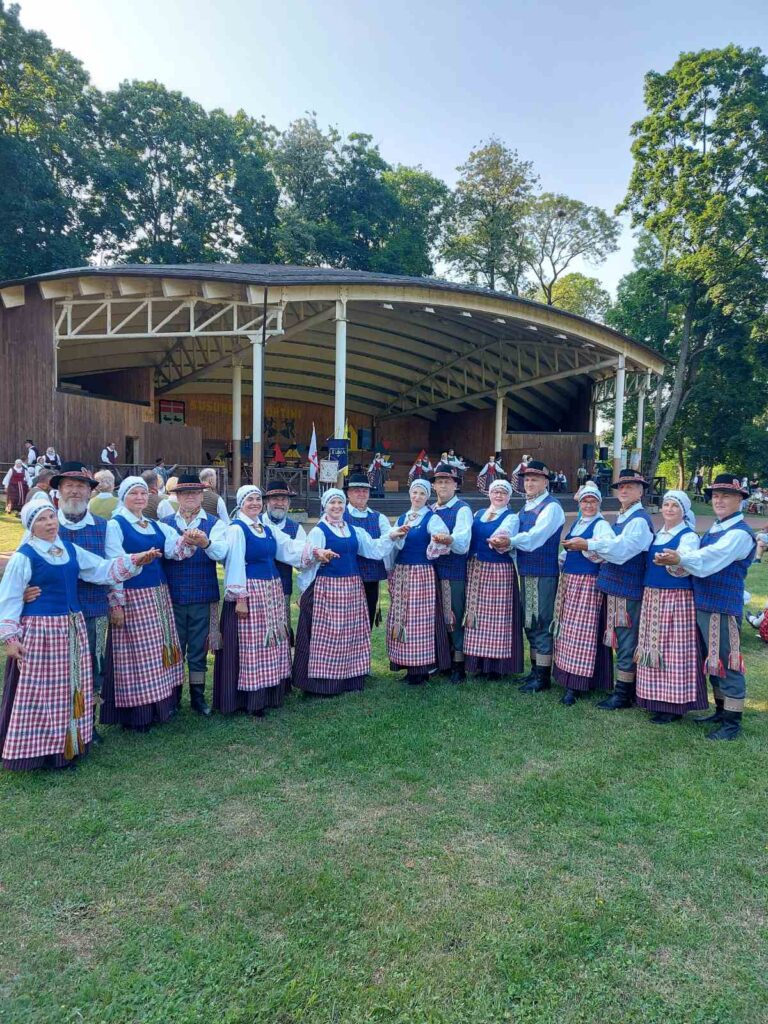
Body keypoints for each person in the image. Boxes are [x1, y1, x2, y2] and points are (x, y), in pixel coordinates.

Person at [0, 497, 156, 771]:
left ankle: (69, 746)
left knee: (72, 687)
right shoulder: (25, 556)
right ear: (30, 526)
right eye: (42, 520)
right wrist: (10, 639)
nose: (49, 524)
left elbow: (100, 569)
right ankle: (40, 752)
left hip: (72, 629)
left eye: (51, 518)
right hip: (41, 632)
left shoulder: (69, 549)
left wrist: (134, 561)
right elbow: (10, 597)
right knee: (42, 692)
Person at [655, 473, 756, 740]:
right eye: (716, 495)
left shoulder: (740, 533)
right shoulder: (717, 527)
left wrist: (680, 557)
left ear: (740, 500)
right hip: (704, 603)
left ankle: (732, 722)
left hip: (722, 606)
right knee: (713, 660)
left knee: (728, 661)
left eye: (727, 496)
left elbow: (711, 558)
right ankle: (722, 711)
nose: (720, 500)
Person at [100, 476, 205, 732]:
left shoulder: (154, 525)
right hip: (133, 598)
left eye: (143, 493)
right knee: (136, 657)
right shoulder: (116, 525)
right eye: (134, 493)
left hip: (158, 597)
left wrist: (190, 538)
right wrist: (116, 603)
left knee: (157, 654)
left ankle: (159, 707)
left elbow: (174, 548)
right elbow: (114, 564)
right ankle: (137, 714)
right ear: (123, 496)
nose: (139, 498)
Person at [293, 488, 402, 696]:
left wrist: (391, 536)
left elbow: (374, 549)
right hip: (328, 589)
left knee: (351, 634)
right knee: (328, 636)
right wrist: (306, 591)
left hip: (352, 589)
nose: (336, 507)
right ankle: (323, 684)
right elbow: (308, 564)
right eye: (332, 503)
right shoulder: (319, 531)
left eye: (340, 503)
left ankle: (349, 679)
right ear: (325, 506)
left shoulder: (353, 530)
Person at [214, 486, 308, 716]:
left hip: (271, 592)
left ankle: (270, 692)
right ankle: (251, 698)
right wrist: (240, 598)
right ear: (241, 503)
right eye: (250, 500)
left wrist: (314, 552)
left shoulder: (266, 528)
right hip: (250, 592)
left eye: (257, 499)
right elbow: (234, 562)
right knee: (252, 646)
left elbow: (288, 547)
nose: (255, 503)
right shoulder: (237, 529)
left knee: (271, 641)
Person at [570, 468, 655, 710]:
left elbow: (621, 551)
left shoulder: (638, 520)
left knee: (627, 640)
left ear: (641, 491)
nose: (624, 490)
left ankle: (623, 694)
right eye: (621, 487)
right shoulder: (624, 516)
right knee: (620, 638)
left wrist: (589, 543)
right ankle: (622, 689)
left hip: (628, 587)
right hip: (617, 586)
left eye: (630, 486)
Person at [51, 463, 116, 745]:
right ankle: (60, 724)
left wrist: (117, 602)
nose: (75, 491)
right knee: (60, 668)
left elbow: (114, 568)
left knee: (94, 666)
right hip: (54, 612)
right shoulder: (44, 524)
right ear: (59, 492)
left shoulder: (105, 527)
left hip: (93, 607)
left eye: (81, 487)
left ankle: (88, 723)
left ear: (90, 493)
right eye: (69, 486)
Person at [490, 460, 565, 693]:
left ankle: (543, 678)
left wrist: (510, 541)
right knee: (530, 621)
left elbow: (536, 537)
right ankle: (535, 671)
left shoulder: (551, 507)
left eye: (535, 479)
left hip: (543, 572)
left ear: (545, 482)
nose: (530, 483)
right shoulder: (527, 506)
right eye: (527, 479)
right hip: (527, 571)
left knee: (541, 621)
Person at [634, 490, 707, 724]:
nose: (669, 509)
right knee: (652, 646)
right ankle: (653, 698)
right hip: (652, 595)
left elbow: (687, 558)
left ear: (683, 511)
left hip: (676, 598)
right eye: (666, 504)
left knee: (674, 649)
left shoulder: (688, 536)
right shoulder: (657, 535)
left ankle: (674, 705)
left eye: (674, 506)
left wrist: (676, 558)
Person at [161, 475, 229, 716]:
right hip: (173, 595)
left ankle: (198, 698)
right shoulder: (165, 522)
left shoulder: (215, 523)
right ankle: (174, 696)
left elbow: (220, 553)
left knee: (198, 650)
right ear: (177, 496)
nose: (190, 496)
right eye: (185, 492)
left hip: (202, 594)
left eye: (195, 492)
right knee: (174, 648)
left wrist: (205, 542)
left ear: (203, 495)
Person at [387, 479, 452, 685]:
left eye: (422, 494)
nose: (417, 497)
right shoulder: (403, 517)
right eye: (414, 493)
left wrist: (437, 539)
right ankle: (407, 666)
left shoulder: (431, 518)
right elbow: (393, 544)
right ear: (409, 494)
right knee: (402, 617)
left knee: (418, 622)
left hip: (420, 574)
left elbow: (442, 538)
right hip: (402, 573)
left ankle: (421, 670)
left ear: (427, 497)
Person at [555, 482, 614, 705]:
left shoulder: (601, 525)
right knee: (568, 630)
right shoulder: (578, 523)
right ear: (579, 503)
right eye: (585, 501)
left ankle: (577, 684)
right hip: (570, 581)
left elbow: (607, 547)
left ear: (599, 503)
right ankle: (566, 676)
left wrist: (586, 545)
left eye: (592, 501)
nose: (588, 505)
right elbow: (568, 552)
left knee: (583, 634)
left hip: (588, 583)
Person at [463, 478, 523, 678]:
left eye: (503, 493)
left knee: (497, 619)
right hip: (476, 569)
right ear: (489, 493)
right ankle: (479, 663)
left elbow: (504, 533)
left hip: (498, 571)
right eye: (496, 492)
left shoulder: (511, 517)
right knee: (477, 617)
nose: (499, 496)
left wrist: (498, 540)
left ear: (509, 497)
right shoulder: (478, 514)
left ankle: (496, 667)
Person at [427, 463, 473, 683]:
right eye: (439, 482)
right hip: (432, 572)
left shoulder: (462, 509)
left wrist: (450, 540)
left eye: (448, 481)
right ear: (434, 486)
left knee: (453, 615)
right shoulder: (430, 510)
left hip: (454, 571)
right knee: (437, 617)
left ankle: (458, 665)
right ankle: (442, 661)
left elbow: (463, 542)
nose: (443, 485)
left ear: (456, 485)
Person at [260, 479, 307, 638]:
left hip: (283, 590)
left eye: (284, 499)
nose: (280, 503)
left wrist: (304, 592)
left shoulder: (296, 528)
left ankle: (283, 663)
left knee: (281, 634)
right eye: (275, 499)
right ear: (266, 501)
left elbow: (304, 565)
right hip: (254, 590)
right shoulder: (254, 523)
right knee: (257, 633)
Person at [344, 471, 390, 629]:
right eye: (357, 490)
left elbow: (388, 543)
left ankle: (363, 653)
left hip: (371, 578)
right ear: (348, 493)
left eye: (365, 490)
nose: (361, 494)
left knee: (366, 622)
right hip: (344, 578)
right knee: (345, 622)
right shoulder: (338, 514)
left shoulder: (379, 518)